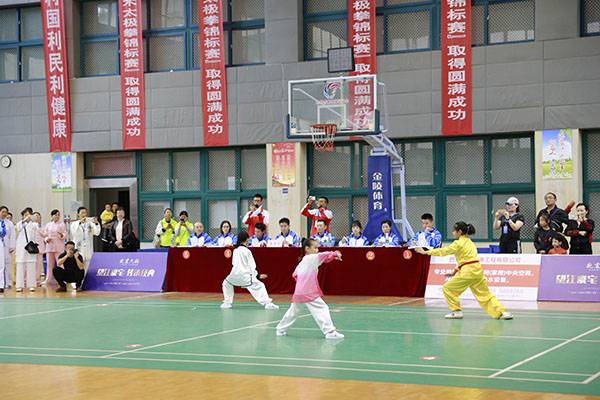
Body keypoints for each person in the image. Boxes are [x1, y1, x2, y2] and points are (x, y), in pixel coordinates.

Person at [415, 222, 513, 320]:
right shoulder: (470, 243)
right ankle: (503, 312)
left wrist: (425, 252)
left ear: (460, 232)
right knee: (485, 295)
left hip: (467, 272)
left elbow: (444, 251)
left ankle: (456, 311)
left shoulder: (457, 243)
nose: (453, 232)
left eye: (454, 230)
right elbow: (467, 259)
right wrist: (455, 271)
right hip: (478, 271)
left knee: (447, 288)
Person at [275, 238, 344, 339]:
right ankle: (329, 332)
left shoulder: (303, 261)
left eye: (317, 248)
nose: (317, 250)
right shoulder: (311, 258)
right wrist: (335, 253)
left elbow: (294, 275)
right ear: (307, 249)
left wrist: (333, 257)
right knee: (322, 308)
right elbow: (323, 255)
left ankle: (280, 329)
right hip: (308, 291)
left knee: (293, 312)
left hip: (299, 292)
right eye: (315, 248)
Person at [220, 231, 279, 310]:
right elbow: (252, 266)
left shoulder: (235, 250)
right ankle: (268, 303)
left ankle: (227, 303)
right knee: (260, 285)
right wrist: (257, 276)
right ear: (246, 239)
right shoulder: (247, 251)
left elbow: (234, 264)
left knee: (226, 283)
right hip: (245, 276)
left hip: (234, 275)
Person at [16, 207, 39, 292]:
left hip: (31, 247)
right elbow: (18, 228)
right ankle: (19, 286)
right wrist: (24, 220)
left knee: (31, 265)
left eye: (28, 214)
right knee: (20, 265)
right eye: (25, 215)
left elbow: (37, 228)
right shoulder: (20, 224)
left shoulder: (34, 224)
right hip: (21, 247)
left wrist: (33, 219)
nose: (27, 216)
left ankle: (31, 285)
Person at [41, 209, 66, 285]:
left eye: (58, 215)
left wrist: (62, 235)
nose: (57, 216)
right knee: (49, 264)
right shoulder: (48, 225)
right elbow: (44, 235)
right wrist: (46, 239)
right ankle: (48, 279)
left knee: (60, 263)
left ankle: (63, 278)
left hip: (59, 245)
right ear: (52, 216)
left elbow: (65, 234)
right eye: (55, 215)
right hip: (50, 245)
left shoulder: (62, 224)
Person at [0, 206, 16, 291]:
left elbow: (13, 235)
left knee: (7, 264)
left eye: (5, 212)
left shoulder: (9, 223)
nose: (4, 213)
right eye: (2, 211)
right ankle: (1, 284)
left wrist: (12, 246)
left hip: (6, 245)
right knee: (1, 265)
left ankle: (8, 282)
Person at [32, 212, 46, 285]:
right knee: (32, 265)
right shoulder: (31, 226)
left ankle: (37, 280)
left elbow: (45, 235)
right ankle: (30, 280)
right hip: (32, 249)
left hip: (40, 248)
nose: (37, 218)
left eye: (39, 216)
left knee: (39, 265)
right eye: (36, 216)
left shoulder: (42, 227)